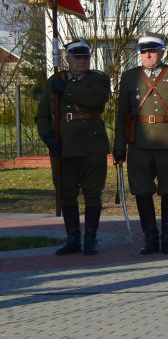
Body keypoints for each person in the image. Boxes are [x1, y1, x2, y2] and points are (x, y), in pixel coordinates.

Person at [113, 35, 168, 255]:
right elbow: (122, 113)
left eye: (152, 51)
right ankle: (150, 237)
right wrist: (119, 144)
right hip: (139, 145)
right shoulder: (130, 77)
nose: (147, 56)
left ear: (162, 52)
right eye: (143, 52)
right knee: (141, 191)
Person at [35, 39, 111, 256]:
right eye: (77, 57)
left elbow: (97, 100)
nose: (82, 61)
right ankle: (73, 239)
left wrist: (66, 90)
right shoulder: (54, 80)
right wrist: (47, 135)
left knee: (92, 193)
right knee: (67, 193)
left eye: (85, 57)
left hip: (91, 145)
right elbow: (42, 114)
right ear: (67, 59)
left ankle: (90, 239)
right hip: (63, 146)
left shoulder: (98, 79)